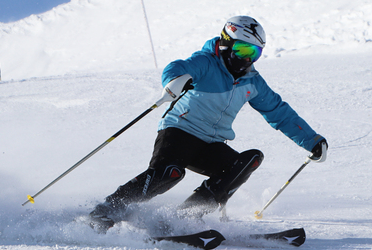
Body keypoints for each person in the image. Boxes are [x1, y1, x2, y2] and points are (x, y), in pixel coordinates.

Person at [89, 15, 327, 232]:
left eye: (254, 53)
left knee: (247, 161)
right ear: (226, 43)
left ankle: (184, 217)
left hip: (211, 143)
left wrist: (312, 141)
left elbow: (279, 112)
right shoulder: (206, 62)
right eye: (243, 49)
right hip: (180, 130)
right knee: (169, 173)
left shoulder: (252, 81)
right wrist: (175, 80)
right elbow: (178, 67)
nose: (247, 58)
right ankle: (107, 210)